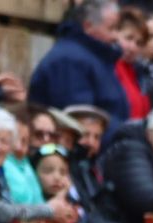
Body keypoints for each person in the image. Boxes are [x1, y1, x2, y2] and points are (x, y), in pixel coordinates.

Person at [28, 0, 131, 128]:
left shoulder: (98, 58)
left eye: (118, 28)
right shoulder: (70, 60)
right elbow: (79, 119)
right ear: (88, 26)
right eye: (111, 28)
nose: (116, 36)